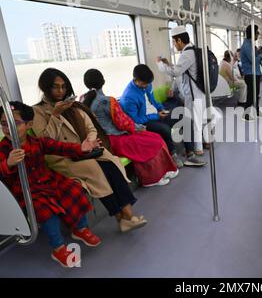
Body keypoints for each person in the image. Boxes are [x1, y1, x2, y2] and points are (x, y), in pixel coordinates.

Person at [32, 68, 147, 234]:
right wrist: (55, 116)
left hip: (87, 151)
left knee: (112, 166)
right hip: (63, 157)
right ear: (45, 88)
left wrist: (90, 140)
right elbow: (44, 140)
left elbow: (90, 127)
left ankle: (126, 216)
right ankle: (123, 217)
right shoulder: (38, 112)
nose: (61, 91)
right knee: (97, 171)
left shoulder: (73, 105)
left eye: (64, 87)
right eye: (55, 87)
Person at [0, 101, 101, 268]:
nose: (8, 128)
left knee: (73, 189)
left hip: (48, 180)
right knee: (45, 209)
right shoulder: (3, 149)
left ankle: (80, 228)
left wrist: (81, 149)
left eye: (15, 123)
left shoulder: (38, 142)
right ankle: (58, 247)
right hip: (25, 189)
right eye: (4, 124)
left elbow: (60, 147)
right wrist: (9, 163)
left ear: (29, 124)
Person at [81, 68, 179, 187]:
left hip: (106, 139)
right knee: (154, 140)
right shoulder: (107, 101)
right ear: (103, 81)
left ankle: (162, 171)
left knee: (153, 136)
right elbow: (123, 122)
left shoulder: (84, 100)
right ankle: (152, 178)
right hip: (116, 138)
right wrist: (138, 128)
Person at [120, 64, 206, 167]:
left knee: (184, 115)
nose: (147, 86)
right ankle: (173, 156)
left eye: (148, 83)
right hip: (145, 122)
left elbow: (153, 101)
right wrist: (156, 116)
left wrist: (161, 109)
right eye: (144, 84)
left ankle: (190, 154)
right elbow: (136, 120)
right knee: (165, 129)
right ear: (136, 80)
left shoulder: (147, 85)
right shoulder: (128, 97)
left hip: (157, 114)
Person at [156, 25, 212, 161]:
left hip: (194, 95)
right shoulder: (193, 51)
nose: (174, 45)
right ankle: (206, 141)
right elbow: (182, 69)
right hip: (199, 92)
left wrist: (160, 64)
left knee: (195, 122)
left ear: (180, 40)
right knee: (201, 119)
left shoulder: (187, 53)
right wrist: (169, 64)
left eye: (174, 42)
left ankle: (198, 149)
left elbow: (176, 72)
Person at [240, 24, 262, 122]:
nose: (258, 34)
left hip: (255, 73)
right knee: (251, 94)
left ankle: (257, 111)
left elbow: (254, 54)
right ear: (253, 33)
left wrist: (259, 51)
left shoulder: (250, 44)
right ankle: (246, 114)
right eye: (257, 32)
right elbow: (253, 60)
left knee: (256, 93)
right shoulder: (246, 45)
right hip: (250, 74)